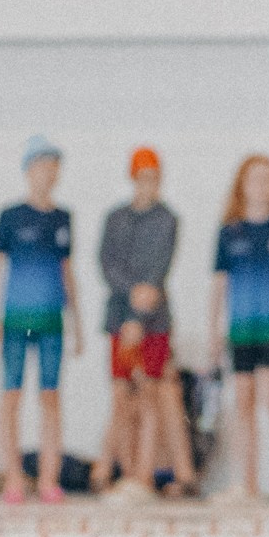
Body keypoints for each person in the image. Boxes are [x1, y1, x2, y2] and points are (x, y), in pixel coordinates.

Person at [0, 136, 82, 504]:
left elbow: (67, 272)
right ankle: (13, 475)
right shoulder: (10, 217)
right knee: (11, 395)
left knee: (51, 396)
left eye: (53, 165)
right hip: (15, 320)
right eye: (42, 164)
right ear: (29, 170)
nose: (48, 172)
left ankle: (48, 477)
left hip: (50, 320)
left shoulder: (62, 219)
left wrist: (76, 322)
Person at [210, 153, 269, 504]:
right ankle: (247, 484)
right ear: (242, 186)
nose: (261, 186)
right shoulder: (229, 232)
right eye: (255, 179)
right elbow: (219, 285)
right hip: (241, 329)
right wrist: (214, 331)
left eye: (268, 179)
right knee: (243, 401)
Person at [98, 147, 189, 498]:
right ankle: (124, 469)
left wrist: (139, 316)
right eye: (143, 177)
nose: (149, 184)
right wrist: (128, 311)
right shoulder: (116, 219)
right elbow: (108, 265)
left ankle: (143, 474)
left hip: (154, 321)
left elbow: (158, 269)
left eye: (155, 178)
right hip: (120, 318)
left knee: (150, 392)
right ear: (133, 178)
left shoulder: (168, 220)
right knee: (122, 396)